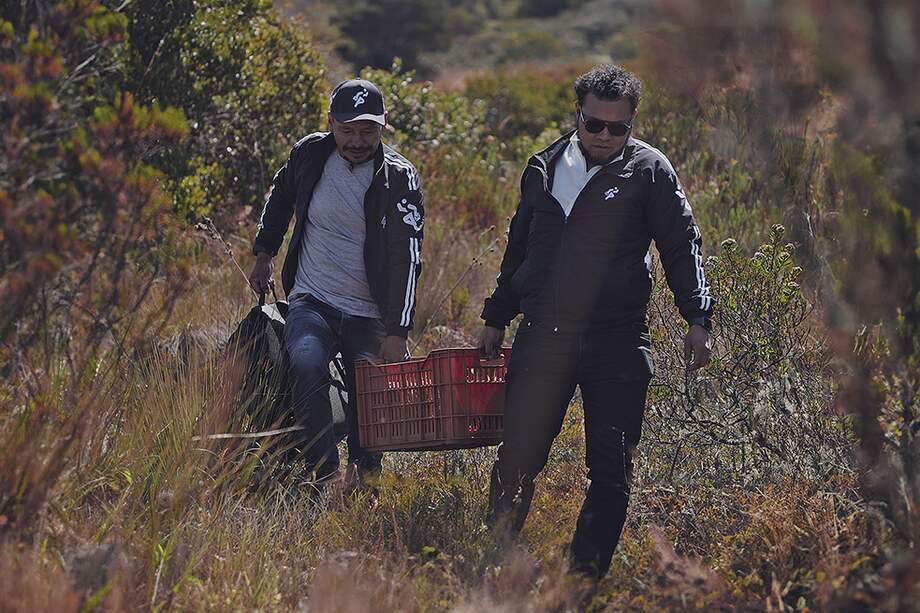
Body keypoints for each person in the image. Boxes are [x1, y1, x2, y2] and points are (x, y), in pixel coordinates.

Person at [478, 64, 713, 580]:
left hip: (618, 341)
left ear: (632, 124)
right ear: (577, 114)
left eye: (617, 128)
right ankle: (495, 565)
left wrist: (697, 314)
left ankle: (581, 582)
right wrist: (497, 315)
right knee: (517, 459)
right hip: (543, 336)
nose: (604, 136)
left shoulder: (649, 171)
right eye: (594, 124)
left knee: (610, 471)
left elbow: (680, 244)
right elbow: (520, 249)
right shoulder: (542, 167)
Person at [249, 78, 424, 485]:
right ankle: (321, 475)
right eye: (347, 130)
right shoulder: (309, 154)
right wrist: (264, 254)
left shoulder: (399, 177)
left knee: (369, 398)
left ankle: (365, 481)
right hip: (314, 298)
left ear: (384, 126)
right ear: (330, 123)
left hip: (369, 312)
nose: (357, 141)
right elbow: (278, 203)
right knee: (306, 364)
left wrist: (398, 331)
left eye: (368, 131)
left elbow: (408, 257)